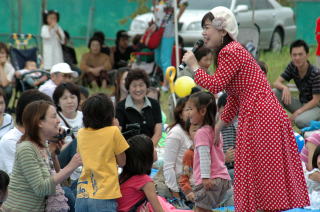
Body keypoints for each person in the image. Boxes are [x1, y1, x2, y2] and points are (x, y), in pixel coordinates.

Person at [182, 6, 309, 211]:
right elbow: (233, 97)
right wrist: (217, 128)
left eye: (207, 27)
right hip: (259, 113)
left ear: (222, 30)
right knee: (262, 173)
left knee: (264, 172)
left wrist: (194, 66)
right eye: (202, 28)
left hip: (261, 115)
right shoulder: (229, 52)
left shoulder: (230, 51)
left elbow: (216, 86)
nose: (203, 33)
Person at [2, 100, 82, 211]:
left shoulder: (42, 145)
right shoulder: (26, 148)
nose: (58, 121)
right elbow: (42, 188)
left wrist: (53, 155)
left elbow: (62, 183)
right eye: (54, 116)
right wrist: (71, 166)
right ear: (39, 122)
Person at [75, 93, 129, 212]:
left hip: (82, 194)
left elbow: (82, 158)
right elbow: (122, 162)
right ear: (109, 115)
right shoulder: (113, 131)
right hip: (104, 194)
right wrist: (117, 129)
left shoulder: (81, 133)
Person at [187, 92, 230, 211]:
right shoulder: (215, 131)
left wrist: (205, 177)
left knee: (200, 209)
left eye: (190, 109)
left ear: (202, 111)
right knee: (200, 209)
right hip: (222, 178)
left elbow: (204, 156)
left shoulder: (201, 133)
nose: (188, 113)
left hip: (210, 179)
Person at [0, 89, 52, 175]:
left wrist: (52, 155)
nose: (57, 120)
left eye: (2, 103)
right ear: (33, 116)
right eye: (48, 115)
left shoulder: (39, 135)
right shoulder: (11, 142)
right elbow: (27, 182)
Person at [273, 39, 320, 129]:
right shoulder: (292, 66)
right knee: (275, 92)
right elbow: (276, 82)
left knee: (299, 121)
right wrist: (284, 88)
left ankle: (315, 127)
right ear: (291, 56)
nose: (297, 58)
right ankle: (279, 125)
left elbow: (315, 100)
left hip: (316, 107)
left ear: (307, 55)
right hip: (301, 103)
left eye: (300, 54)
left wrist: (298, 112)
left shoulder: (316, 73)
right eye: (294, 55)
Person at [117, 134, 164, 212]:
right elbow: (159, 210)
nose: (156, 151)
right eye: (153, 148)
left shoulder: (123, 176)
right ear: (146, 155)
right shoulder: (145, 181)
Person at [116, 69, 162, 145]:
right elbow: (118, 133)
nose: (138, 89)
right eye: (134, 86)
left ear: (147, 86)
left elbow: (158, 132)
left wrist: (148, 149)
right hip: (128, 151)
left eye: (141, 85)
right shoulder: (121, 106)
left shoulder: (154, 104)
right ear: (128, 88)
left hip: (150, 149)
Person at [153, 0, 188, 91]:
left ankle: (166, 85)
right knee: (157, 58)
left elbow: (185, 3)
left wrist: (177, 18)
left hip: (168, 30)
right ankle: (169, 77)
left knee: (165, 58)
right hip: (157, 29)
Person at [163, 97, 192, 201]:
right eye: (187, 109)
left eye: (193, 109)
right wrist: (176, 195)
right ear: (180, 115)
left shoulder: (195, 131)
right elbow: (168, 167)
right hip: (181, 187)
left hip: (194, 183)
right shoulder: (176, 133)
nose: (191, 113)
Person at [217, 93, 237, 182]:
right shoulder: (212, 130)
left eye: (232, 114)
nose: (228, 118)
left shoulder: (236, 126)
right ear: (218, 109)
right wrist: (224, 159)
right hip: (219, 173)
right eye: (224, 113)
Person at [179, 119, 198, 205]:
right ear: (188, 134)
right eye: (194, 130)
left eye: (201, 129)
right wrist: (189, 192)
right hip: (196, 192)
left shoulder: (211, 151)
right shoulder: (189, 154)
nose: (199, 133)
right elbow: (184, 178)